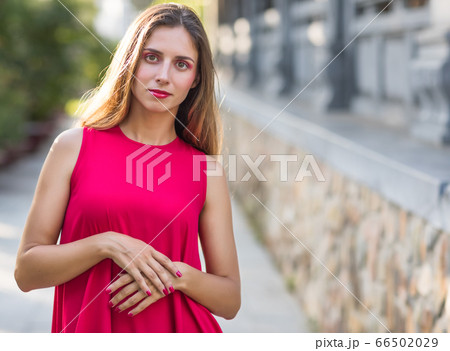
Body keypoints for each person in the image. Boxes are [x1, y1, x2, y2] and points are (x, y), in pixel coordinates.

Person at [14, 3, 240, 333]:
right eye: (152, 57)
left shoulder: (206, 172)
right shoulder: (73, 147)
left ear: (195, 80)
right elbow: (25, 272)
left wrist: (175, 276)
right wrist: (105, 244)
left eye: (181, 64)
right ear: (131, 62)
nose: (163, 75)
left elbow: (230, 300)